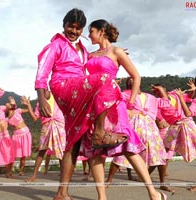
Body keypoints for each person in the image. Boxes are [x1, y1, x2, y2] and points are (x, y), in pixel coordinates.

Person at [35, 9, 129, 200]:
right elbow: (42, 72)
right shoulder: (54, 46)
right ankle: (100, 134)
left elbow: (93, 62)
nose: (74, 31)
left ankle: (62, 193)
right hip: (62, 86)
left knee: (73, 141)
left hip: (80, 91)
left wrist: (112, 54)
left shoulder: (84, 50)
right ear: (64, 25)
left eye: (79, 28)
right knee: (104, 79)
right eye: (71, 26)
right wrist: (42, 98)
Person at [85, 19, 168, 200]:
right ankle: (102, 197)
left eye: (91, 31)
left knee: (128, 148)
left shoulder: (116, 51)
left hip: (115, 104)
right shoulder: (89, 55)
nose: (88, 35)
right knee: (97, 149)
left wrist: (130, 104)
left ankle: (153, 193)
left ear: (101, 31)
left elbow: (136, 77)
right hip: (94, 105)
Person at [105, 77, 167, 186]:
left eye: (134, 79)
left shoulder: (151, 97)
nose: (132, 81)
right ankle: (108, 180)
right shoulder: (126, 95)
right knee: (123, 153)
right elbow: (113, 97)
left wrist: (161, 91)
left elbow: (165, 103)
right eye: (130, 81)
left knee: (158, 153)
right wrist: (114, 84)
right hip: (133, 126)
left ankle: (162, 183)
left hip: (150, 128)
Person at [150, 82, 196, 192]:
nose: (157, 92)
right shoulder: (157, 102)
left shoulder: (175, 95)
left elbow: (188, 98)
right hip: (174, 126)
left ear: (164, 89)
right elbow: (156, 115)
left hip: (187, 123)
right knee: (164, 153)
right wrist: (159, 120)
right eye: (155, 91)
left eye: (158, 89)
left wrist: (193, 90)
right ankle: (159, 181)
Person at [26, 90, 66, 182]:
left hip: (59, 124)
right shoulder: (39, 103)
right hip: (46, 125)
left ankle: (64, 175)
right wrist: (28, 105)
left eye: (43, 89)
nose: (42, 92)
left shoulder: (57, 95)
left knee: (60, 150)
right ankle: (34, 176)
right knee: (42, 150)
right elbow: (35, 118)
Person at [6, 96, 32, 176]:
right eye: (7, 104)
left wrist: (28, 104)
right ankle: (9, 171)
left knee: (23, 155)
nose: (9, 105)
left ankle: (21, 171)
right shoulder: (6, 119)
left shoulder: (18, 111)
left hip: (26, 133)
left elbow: (29, 110)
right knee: (12, 154)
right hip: (16, 136)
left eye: (10, 104)